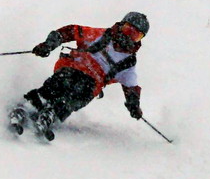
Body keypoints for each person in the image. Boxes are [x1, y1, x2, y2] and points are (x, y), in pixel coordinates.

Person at [10, 11, 149, 139]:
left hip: (93, 82)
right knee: (62, 81)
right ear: (120, 26)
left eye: (135, 35)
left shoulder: (127, 62)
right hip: (74, 65)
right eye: (127, 30)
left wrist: (133, 105)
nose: (128, 37)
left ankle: (53, 113)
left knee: (81, 92)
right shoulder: (100, 35)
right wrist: (49, 44)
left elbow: (131, 86)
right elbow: (70, 31)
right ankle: (30, 104)